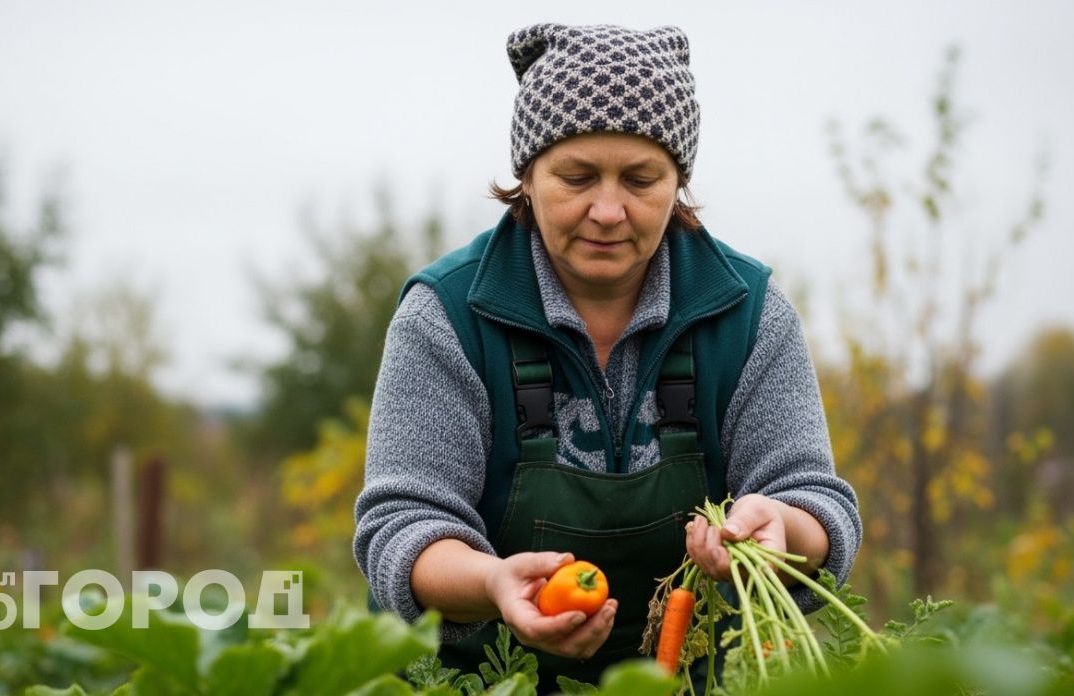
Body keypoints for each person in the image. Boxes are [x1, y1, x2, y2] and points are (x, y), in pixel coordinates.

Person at [353, 23, 861, 689]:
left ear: (677, 180)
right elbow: (402, 525)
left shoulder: (747, 314)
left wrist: (787, 527)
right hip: (477, 684)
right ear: (527, 176)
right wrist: (492, 583)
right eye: (577, 176)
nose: (609, 209)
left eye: (642, 178)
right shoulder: (447, 315)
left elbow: (815, 501)